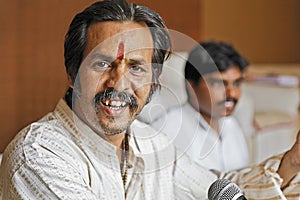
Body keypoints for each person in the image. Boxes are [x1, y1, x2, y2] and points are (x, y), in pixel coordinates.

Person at [0, 0, 299, 199]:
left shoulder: (149, 141)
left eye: (136, 67)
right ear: (72, 73)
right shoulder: (38, 156)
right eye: (102, 64)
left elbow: (213, 187)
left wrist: (291, 163)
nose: (119, 83)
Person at [151, 41, 250, 172]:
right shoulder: (167, 129)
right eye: (218, 84)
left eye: (236, 83)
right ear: (191, 86)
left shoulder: (232, 125)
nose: (231, 93)